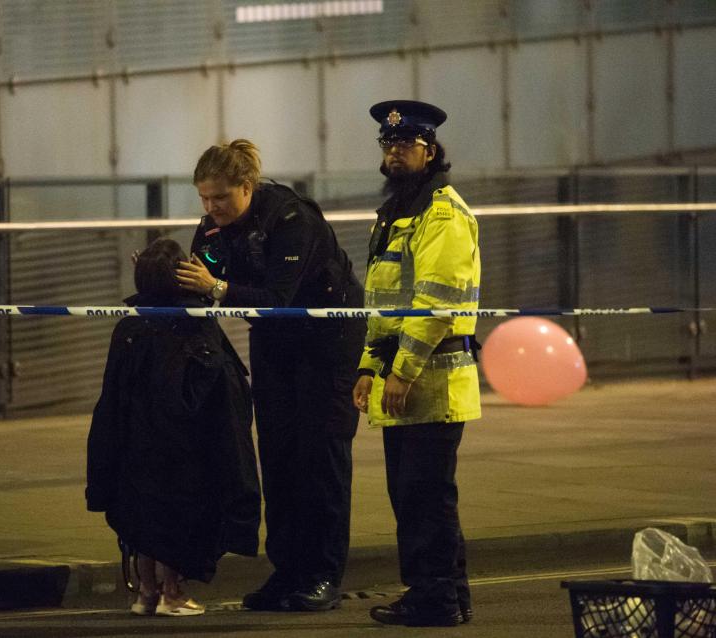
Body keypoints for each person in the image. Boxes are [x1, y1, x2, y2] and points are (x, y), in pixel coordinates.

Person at [176, 140, 366, 612]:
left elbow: (279, 298)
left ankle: (322, 575)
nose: (210, 208)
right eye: (203, 198)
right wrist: (165, 279)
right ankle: (286, 572)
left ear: (247, 186)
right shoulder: (213, 230)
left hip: (327, 338)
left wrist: (217, 287)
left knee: (320, 457)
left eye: (220, 197)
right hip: (276, 340)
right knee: (278, 456)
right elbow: (204, 287)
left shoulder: (290, 218)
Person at [351, 100, 481, 627]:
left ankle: (433, 599)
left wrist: (401, 372)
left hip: (432, 379)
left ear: (430, 150)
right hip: (401, 376)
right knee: (419, 496)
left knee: (423, 497)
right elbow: (380, 303)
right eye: (388, 144)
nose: (394, 153)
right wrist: (367, 366)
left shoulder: (442, 213)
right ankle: (449, 593)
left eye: (405, 145)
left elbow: (436, 303)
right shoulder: (395, 213)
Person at [86, 238, 261, 617]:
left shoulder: (131, 326)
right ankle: (173, 592)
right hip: (183, 446)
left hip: (136, 443)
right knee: (178, 516)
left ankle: (146, 591)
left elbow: (113, 393)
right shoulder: (193, 325)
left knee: (143, 515)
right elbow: (222, 392)